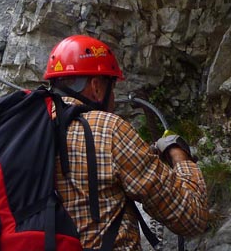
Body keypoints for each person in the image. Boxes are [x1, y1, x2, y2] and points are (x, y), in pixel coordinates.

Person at [44, 35, 209, 250]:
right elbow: (192, 217)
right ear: (96, 86)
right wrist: (178, 154)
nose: (113, 97)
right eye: (112, 87)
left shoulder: (27, 127)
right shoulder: (108, 129)